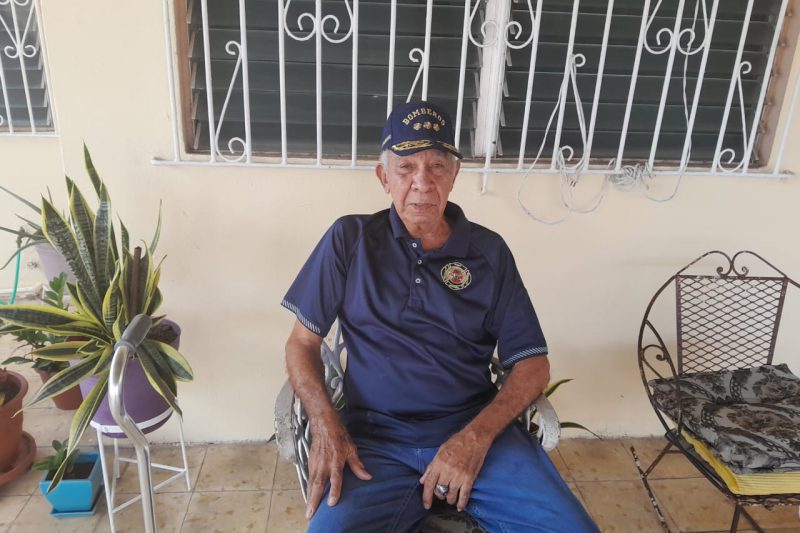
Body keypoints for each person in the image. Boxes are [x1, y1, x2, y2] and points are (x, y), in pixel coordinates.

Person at [282, 100, 598, 533]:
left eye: (436, 166)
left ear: (454, 175)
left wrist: (475, 438)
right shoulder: (349, 239)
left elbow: (532, 364)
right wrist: (324, 422)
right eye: (405, 168)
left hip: (475, 433)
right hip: (374, 441)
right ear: (383, 178)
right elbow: (302, 342)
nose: (422, 183)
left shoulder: (489, 252)